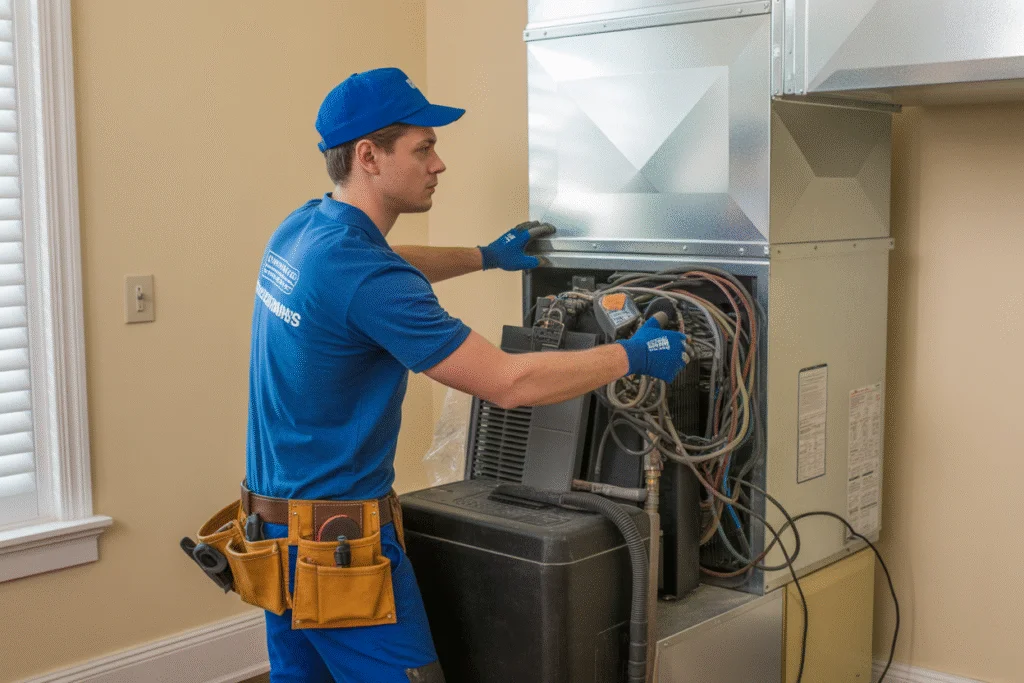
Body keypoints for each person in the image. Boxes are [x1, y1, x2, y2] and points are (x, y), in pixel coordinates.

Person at [245, 67, 687, 683]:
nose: (439, 164)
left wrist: (486, 257)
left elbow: (389, 261)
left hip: (274, 535)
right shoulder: (368, 279)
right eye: (423, 148)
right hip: (340, 552)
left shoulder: (307, 230)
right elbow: (508, 383)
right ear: (369, 157)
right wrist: (633, 356)